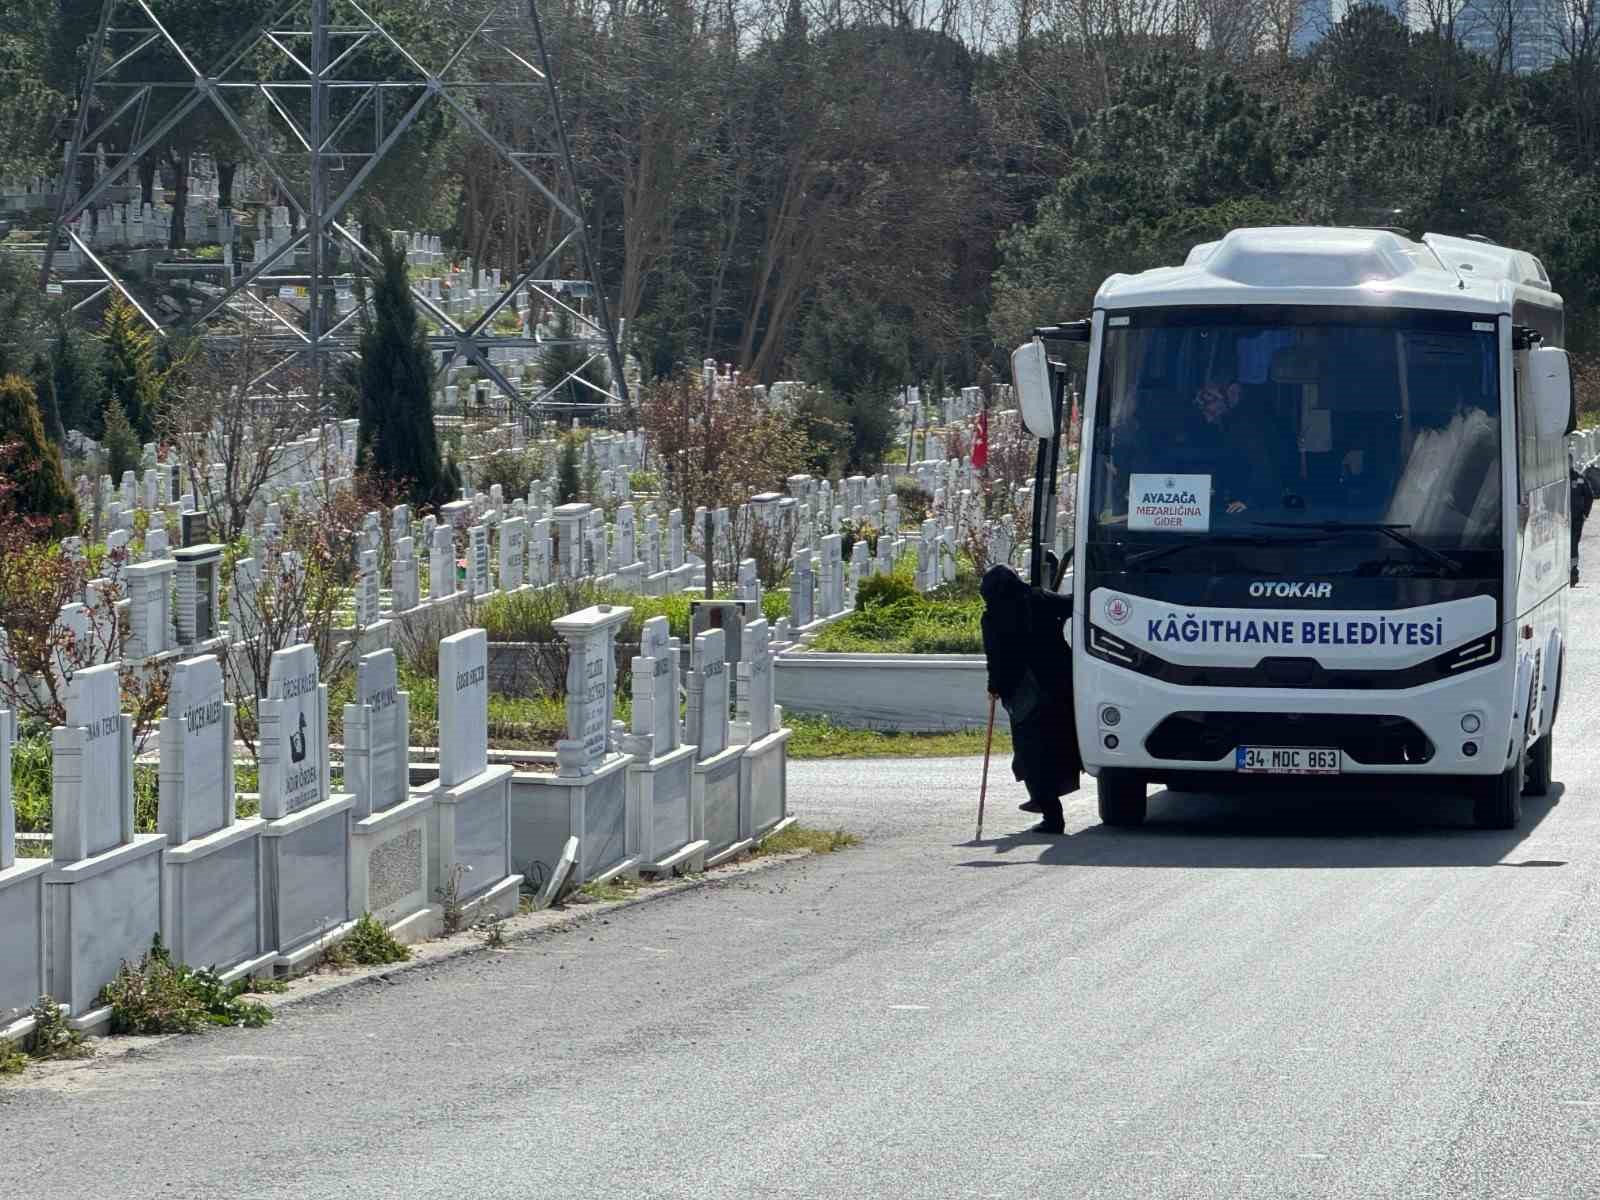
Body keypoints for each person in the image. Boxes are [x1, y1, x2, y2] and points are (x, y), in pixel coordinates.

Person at [980, 564, 1081, 835]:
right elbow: (1073, 604)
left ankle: (1050, 812)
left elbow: (995, 658)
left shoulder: (993, 616)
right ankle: (1045, 801)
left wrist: (994, 687)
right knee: (1056, 746)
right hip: (1059, 684)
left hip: (1024, 692)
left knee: (1030, 752)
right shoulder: (1040, 598)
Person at [1571, 454, 1593, 586]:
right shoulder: (1560, 480)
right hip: (1560, 520)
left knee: (1573, 545)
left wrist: (1585, 513)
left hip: (1576, 519)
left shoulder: (1579, 478)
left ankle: (1573, 572)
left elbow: (1589, 496)